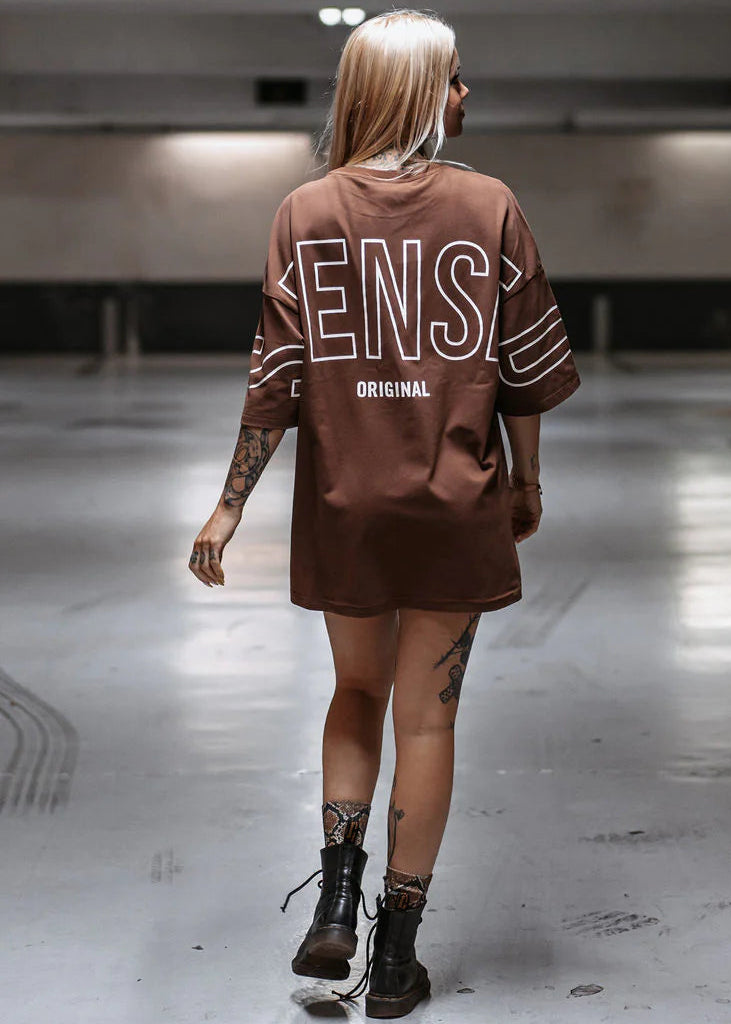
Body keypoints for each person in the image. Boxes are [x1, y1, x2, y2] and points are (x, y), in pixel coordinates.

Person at [187, 8, 581, 1019]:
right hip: (455, 503)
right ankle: (396, 956)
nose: (464, 93)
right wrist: (526, 483)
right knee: (429, 718)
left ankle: (334, 900)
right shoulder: (490, 205)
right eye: (453, 77)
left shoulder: (305, 212)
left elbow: (275, 376)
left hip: (345, 504)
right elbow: (523, 372)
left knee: (355, 692)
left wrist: (228, 508)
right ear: (416, 92)